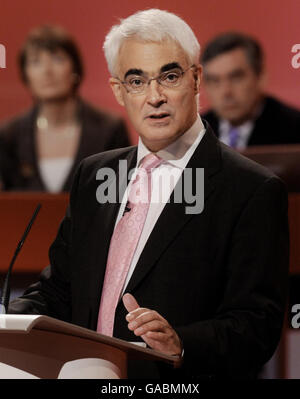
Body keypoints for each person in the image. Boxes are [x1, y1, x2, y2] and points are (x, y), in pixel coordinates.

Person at [8, 9, 289, 379]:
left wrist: (181, 342)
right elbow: (61, 288)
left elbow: (257, 326)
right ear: (118, 91)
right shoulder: (95, 175)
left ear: (196, 80)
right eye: (137, 81)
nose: (154, 97)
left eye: (169, 76)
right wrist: (13, 317)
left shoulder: (250, 190)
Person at [0, 25, 130, 192]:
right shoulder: (10, 135)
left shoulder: (109, 128)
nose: (47, 71)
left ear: (75, 69)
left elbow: (122, 197)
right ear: (26, 75)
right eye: (36, 62)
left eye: (57, 59)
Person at [201, 32, 300, 149]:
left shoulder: (294, 130)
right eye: (215, 81)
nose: (226, 92)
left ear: (260, 77)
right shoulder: (192, 134)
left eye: (236, 78)